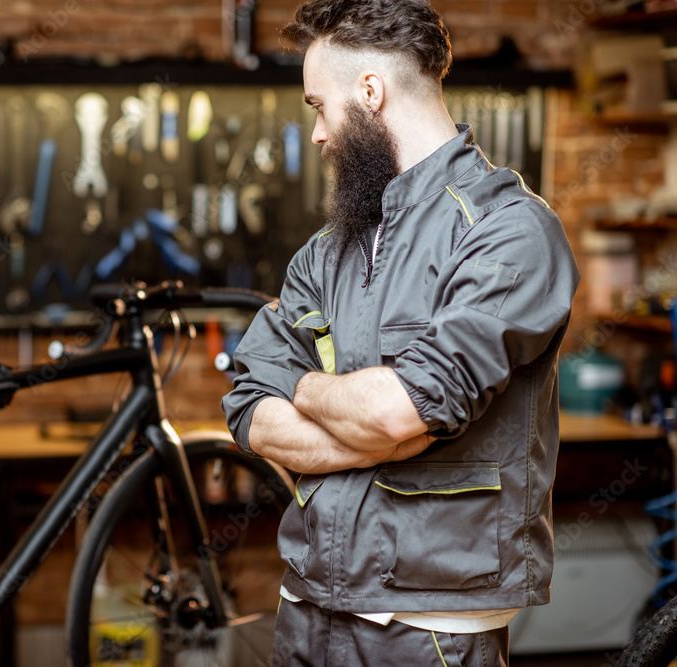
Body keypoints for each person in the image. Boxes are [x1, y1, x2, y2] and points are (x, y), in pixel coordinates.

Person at [220, 0, 580, 664]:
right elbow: (249, 409)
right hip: (307, 606)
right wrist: (369, 429)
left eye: (318, 106)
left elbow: (397, 411)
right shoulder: (326, 252)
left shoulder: (509, 234)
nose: (320, 133)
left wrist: (300, 385)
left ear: (370, 92)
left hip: (428, 627)